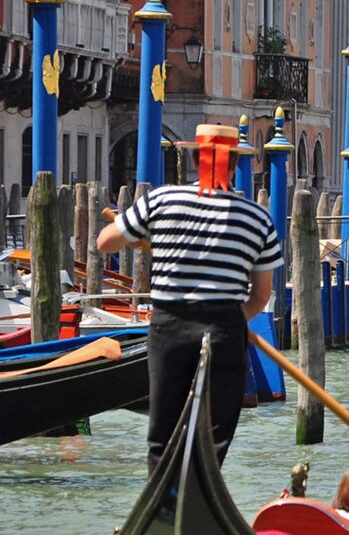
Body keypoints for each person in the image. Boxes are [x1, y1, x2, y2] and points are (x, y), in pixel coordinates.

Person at [96, 123, 281, 473]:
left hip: (170, 326)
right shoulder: (257, 219)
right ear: (234, 163)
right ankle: (203, 483)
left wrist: (135, 232)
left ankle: (164, 490)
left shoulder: (161, 200)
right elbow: (261, 295)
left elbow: (104, 243)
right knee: (215, 435)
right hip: (225, 329)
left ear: (196, 159)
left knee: (162, 433)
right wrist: (229, 322)